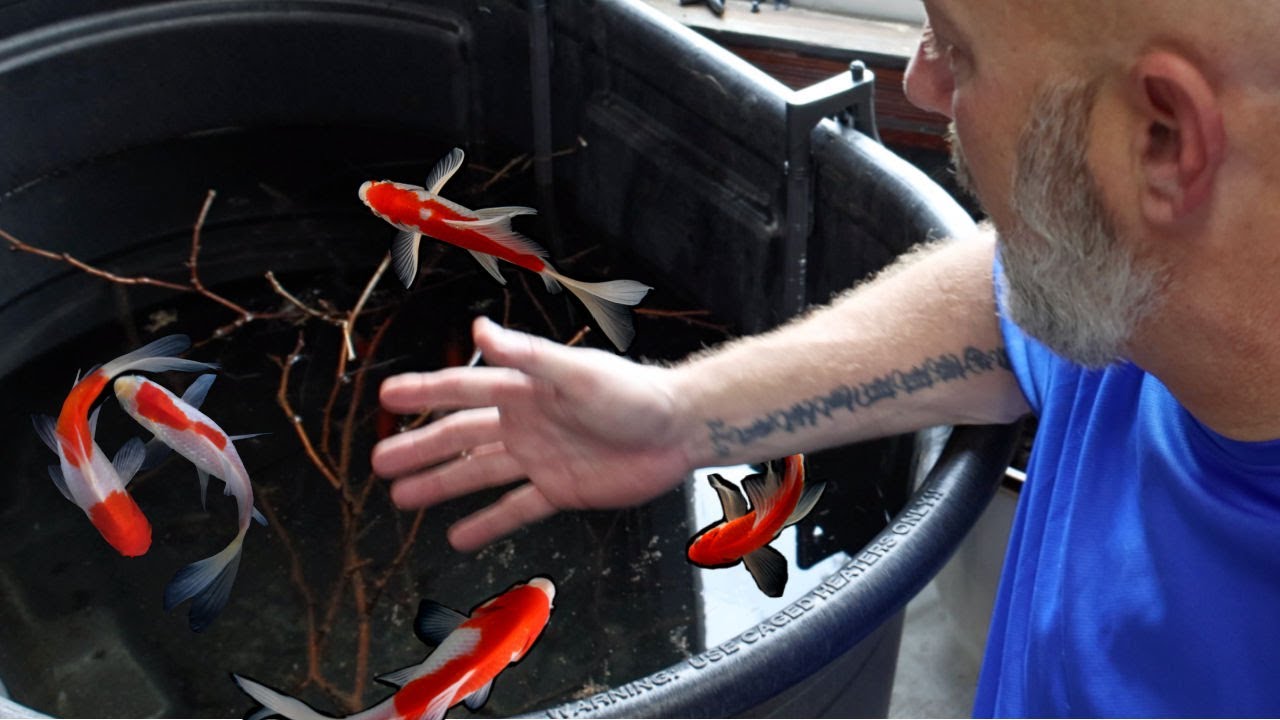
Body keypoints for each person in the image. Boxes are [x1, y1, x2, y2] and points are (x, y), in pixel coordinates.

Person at [371, 1, 1280, 715]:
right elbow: (1002, 298)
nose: (921, 82)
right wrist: (683, 414)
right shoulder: (1142, 286)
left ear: (1161, 142)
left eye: (960, 49)